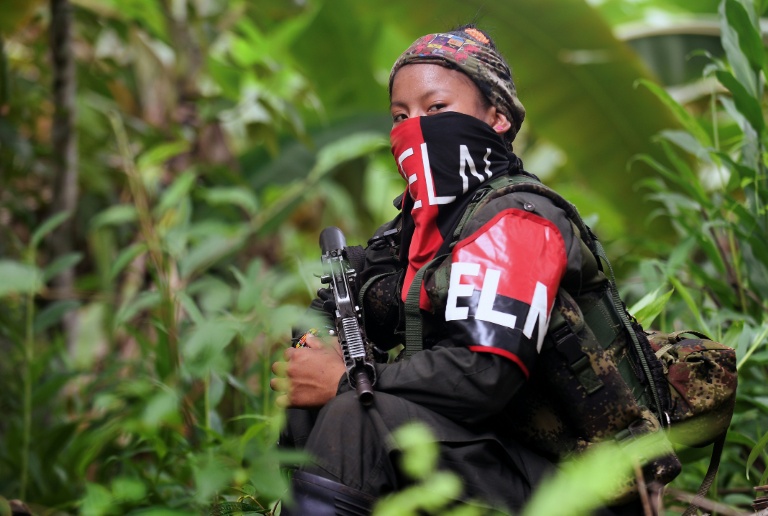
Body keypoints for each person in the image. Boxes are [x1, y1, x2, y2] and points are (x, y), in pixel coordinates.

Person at [270, 24, 644, 515]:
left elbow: (485, 372)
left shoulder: (518, 219)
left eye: (436, 108)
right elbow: (328, 313)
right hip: (489, 456)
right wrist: (311, 348)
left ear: (497, 116)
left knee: (356, 416)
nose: (416, 127)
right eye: (401, 115)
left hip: (580, 483)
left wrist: (347, 378)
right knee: (317, 401)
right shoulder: (415, 230)